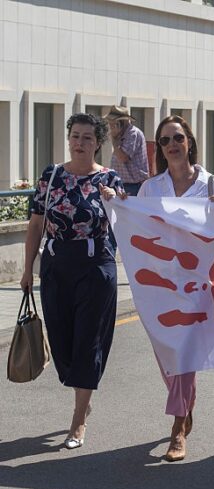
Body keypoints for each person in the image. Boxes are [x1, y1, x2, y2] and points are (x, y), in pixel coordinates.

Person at [20, 113, 123, 449]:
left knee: (88, 341)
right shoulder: (51, 176)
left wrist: (115, 201)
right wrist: (27, 269)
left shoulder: (109, 179)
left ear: (98, 143)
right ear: (68, 139)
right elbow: (36, 225)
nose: (80, 143)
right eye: (75, 136)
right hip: (56, 267)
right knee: (62, 342)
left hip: (95, 267)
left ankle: (78, 419)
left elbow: (127, 224)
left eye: (87, 137)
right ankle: (82, 393)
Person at [136, 115, 214, 462]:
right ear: (159, 148)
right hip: (159, 284)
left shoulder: (211, 183)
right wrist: (117, 202)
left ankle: (177, 429)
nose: (172, 145)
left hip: (197, 285)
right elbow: (137, 227)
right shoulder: (150, 188)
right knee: (168, 357)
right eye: (164, 141)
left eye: (177, 138)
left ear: (189, 141)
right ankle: (185, 407)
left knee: (185, 353)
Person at [103, 105, 148, 196]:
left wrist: (114, 140)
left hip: (133, 185)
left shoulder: (132, 134)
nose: (110, 126)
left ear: (121, 122)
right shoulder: (121, 134)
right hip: (120, 183)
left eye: (113, 123)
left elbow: (122, 158)